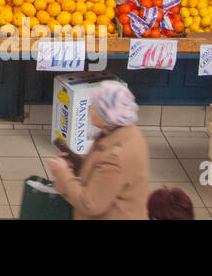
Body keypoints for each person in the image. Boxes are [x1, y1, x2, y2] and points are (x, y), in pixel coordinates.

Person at [45, 81, 150, 220]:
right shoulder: (129, 133)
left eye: (94, 106)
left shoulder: (116, 156)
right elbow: (104, 177)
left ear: (106, 114)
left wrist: (63, 174)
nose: (89, 108)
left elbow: (90, 203)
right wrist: (77, 164)